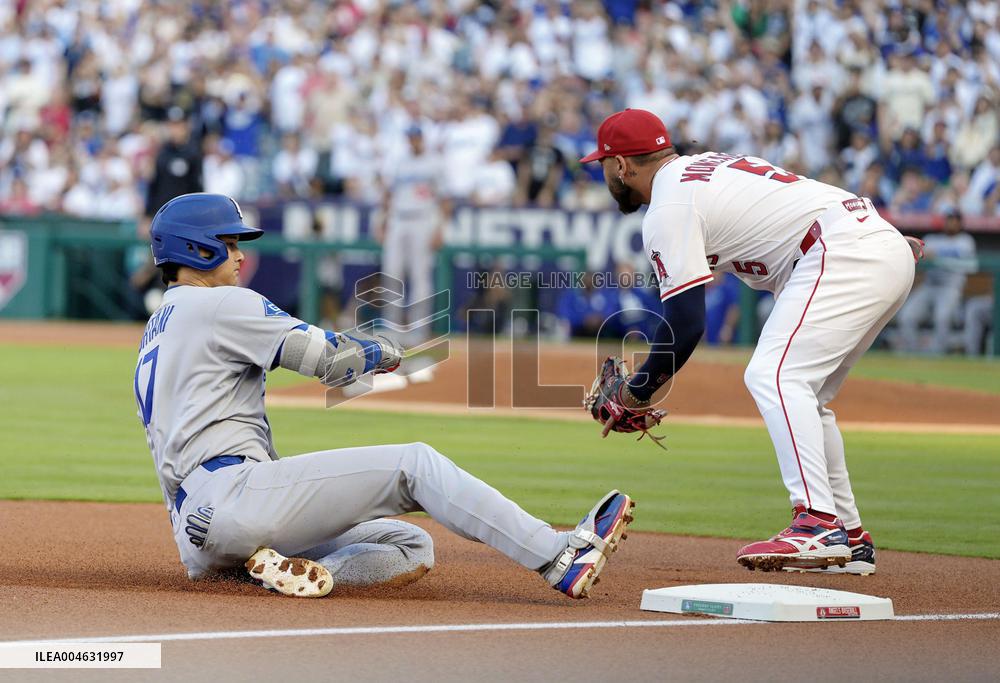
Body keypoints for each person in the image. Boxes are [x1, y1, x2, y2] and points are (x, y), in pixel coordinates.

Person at [135, 192, 633, 600]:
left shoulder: (158, 327)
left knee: (408, 544)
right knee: (414, 464)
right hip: (234, 497)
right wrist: (383, 349)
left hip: (197, 531)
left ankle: (296, 574)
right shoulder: (221, 302)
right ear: (198, 250)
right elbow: (332, 361)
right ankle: (560, 555)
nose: (242, 254)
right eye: (229, 241)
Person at [579, 108, 920, 575]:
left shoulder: (669, 206)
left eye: (602, 164)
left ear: (621, 165)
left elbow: (685, 322)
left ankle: (817, 524)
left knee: (774, 375)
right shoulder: (704, 168)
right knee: (807, 395)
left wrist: (636, 393)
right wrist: (879, 242)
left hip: (844, 251)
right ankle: (850, 538)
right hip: (871, 241)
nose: (603, 174)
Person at [375, 127, 451, 345]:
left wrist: (440, 228)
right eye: (410, 137)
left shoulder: (435, 162)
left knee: (420, 275)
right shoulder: (400, 162)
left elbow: (445, 199)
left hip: (423, 218)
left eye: (416, 137)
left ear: (422, 139)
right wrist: (382, 221)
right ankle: (391, 327)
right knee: (391, 273)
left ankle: (419, 328)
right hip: (399, 218)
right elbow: (388, 194)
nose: (413, 141)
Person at [897, 209, 978, 353]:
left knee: (942, 318)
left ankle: (938, 355)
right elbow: (918, 258)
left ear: (960, 223)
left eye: (954, 220)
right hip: (929, 286)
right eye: (949, 220)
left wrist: (937, 256)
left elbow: (969, 267)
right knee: (906, 316)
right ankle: (913, 353)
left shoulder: (966, 241)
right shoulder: (931, 239)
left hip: (951, 287)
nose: (951, 223)